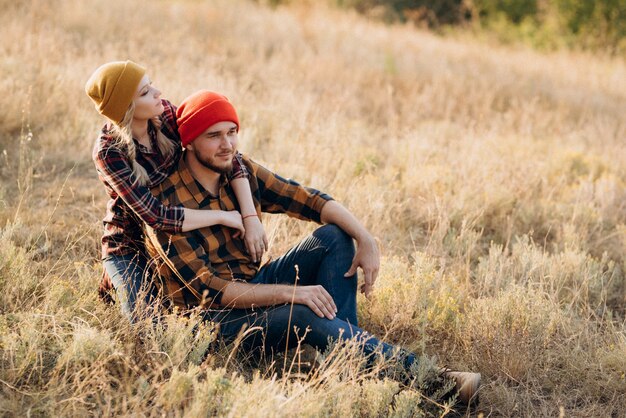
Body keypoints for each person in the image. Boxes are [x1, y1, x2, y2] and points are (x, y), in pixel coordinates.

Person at [145, 90, 481, 406]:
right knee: (303, 310)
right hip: (212, 321)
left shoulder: (238, 170)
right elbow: (210, 290)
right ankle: (435, 380)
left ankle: (345, 360)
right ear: (188, 142)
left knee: (335, 236)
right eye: (214, 135)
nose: (227, 144)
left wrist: (367, 238)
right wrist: (291, 294)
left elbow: (307, 199)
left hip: (252, 283)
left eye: (232, 131)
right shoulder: (168, 202)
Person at [85, 61, 268, 322]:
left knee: (199, 306)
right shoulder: (109, 152)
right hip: (131, 242)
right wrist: (223, 216)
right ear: (127, 107)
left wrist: (250, 218)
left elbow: (230, 158)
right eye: (146, 92)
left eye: (151, 85)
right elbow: (156, 216)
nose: (158, 92)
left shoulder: (167, 114)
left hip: (177, 237)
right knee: (147, 325)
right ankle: (118, 279)